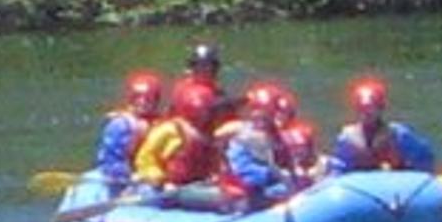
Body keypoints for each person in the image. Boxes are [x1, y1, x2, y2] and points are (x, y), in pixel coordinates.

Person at [132, 79, 233, 210]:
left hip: (195, 185)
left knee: (229, 195)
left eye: (208, 111)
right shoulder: (170, 130)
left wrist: (217, 175)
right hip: (167, 188)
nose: (206, 115)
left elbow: (213, 160)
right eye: (203, 111)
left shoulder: (210, 131)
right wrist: (160, 181)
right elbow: (145, 159)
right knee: (221, 199)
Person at [327, 77, 435, 175]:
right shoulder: (347, 139)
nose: (367, 113)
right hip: (362, 188)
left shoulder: (398, 134)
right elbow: (338, 170)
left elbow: (424, 159)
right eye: (362, 109)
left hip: (395, 185)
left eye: (371, 108)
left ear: (380, 108)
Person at [222, 82, 298, 210]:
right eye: (256, 111)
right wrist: (272, 174)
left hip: (269, 187)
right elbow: (243, 172)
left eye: (267, 114)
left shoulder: (276, 135)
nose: (260, 118)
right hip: (245, 195)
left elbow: (286, 162)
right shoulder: (243, 138)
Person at [94, 70, 163, 190]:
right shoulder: (120, 125)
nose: (142, 102)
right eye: (137, 97)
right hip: (128, 178)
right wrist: (129, 175)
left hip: (152, 174)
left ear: (156, 100)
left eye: (148, 98)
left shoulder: (162, 123)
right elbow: (109, 162)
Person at [172, 41, 238, 125]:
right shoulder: (183, 87)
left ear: (214, 68)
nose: (202, 70)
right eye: (199, 65)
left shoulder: (216, 89)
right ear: (193, 68)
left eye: (207, 65)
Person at [272, 86, 325, 185]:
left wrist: (311, 169)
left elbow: (312, 155)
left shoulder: (304, 131)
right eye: (277, 112)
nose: (279, 116)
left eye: (283, 112)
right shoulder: (269, 134)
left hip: (303, 172)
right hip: (282, 175)